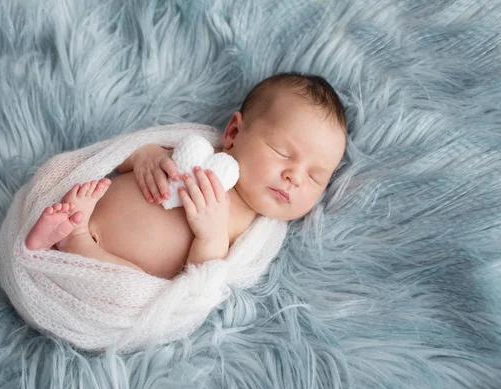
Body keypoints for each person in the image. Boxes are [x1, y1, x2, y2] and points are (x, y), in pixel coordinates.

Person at [24, 72, 347, 279]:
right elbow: (122, 157)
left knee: (129, 283)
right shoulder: (199, 150)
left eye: (316, 177)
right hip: (93, 203)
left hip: (110, 265)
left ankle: (74, 240)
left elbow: (201, 280)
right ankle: (62, 228)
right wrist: (145, 155)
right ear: (234, 132)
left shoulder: (248, 230)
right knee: (87, 188)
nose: (294, 177)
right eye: (282, 152)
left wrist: (211, 236)